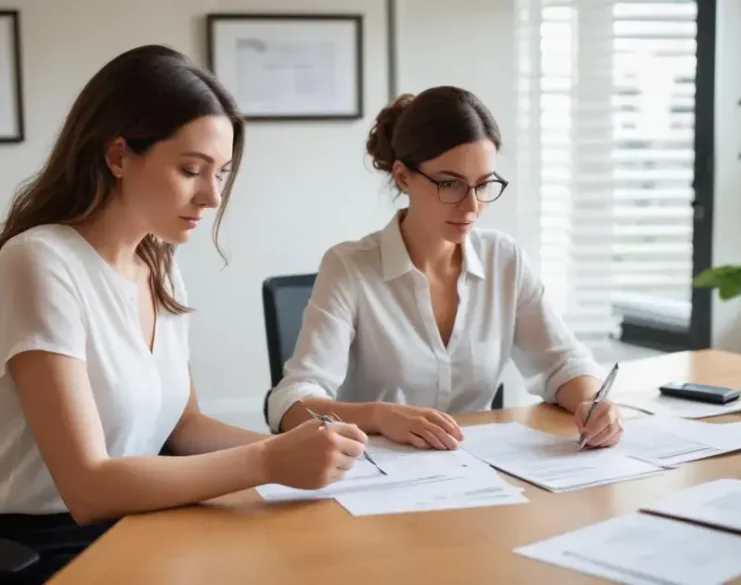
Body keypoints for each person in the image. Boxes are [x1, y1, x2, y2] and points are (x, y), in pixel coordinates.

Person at [0, 45, 366, 584]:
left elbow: (185, 428)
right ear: (119, 155)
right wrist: (269, 462)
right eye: (192, 170)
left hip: (139, 524)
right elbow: (88, 488)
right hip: (42, 551)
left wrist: (304, 451)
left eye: (221, 173)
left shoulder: (158, 261)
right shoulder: (40, 262)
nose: (212, 197)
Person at [267, 86, 623, 451]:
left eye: (483, 185)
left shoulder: (504, 259)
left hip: (479, 474)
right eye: (450, 184)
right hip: (376, 479)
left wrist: (592, 403)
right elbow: (291, 404)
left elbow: (562, 363)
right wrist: (380, 416)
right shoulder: (349, 268)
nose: (471, 206)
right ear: (403, 177)